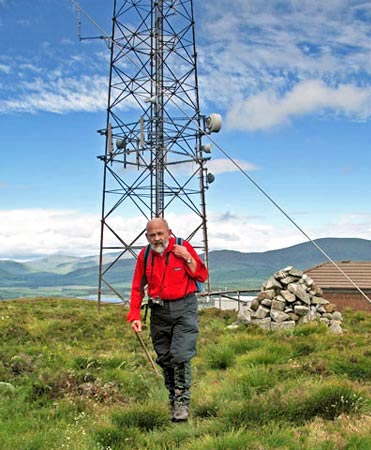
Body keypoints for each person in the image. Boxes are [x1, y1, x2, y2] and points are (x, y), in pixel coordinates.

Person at [127, 217, 208, 422]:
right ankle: (173, 398)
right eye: (152, 235)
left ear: (169, 232)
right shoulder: (145, 256)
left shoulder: (182, 247)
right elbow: (137, 287)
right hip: (158, 311)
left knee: (180, 355)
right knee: (165, 358)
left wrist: (188, 257)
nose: (157, 238)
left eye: (160, 233)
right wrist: (134, 315)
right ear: (147, 236)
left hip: (185, 309)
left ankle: (182, 403)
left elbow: (202, 275)